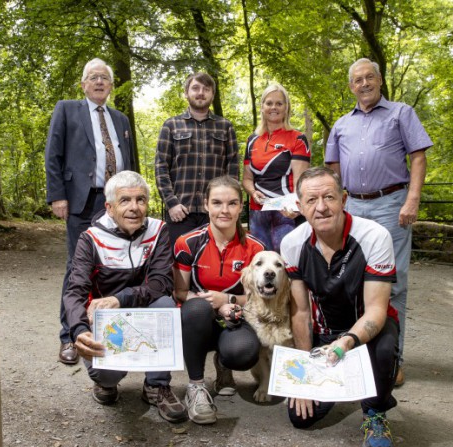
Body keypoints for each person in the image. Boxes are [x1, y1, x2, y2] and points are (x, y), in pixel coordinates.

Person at [325, 58, 433, 386]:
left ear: (380, 80)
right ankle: (356, 352)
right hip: (353, 206)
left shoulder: (401, 113)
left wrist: (412, 199)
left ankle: (392, 361)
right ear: (351, 87)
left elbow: (418, 157)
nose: (364, 84)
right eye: (357, 80)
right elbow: (332, 170)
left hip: (391, 204)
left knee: (392, 282)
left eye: (369, 77)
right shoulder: (342, 124)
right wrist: (334, 208)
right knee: (353, 280)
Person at [280, 166, 400, 447]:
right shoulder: (291, 244)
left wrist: (347, 342)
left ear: (344, 199)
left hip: (366, 332)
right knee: (301, 417)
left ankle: (375, 411)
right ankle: (351, 384)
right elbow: (300, 313)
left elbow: (376, 310)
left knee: (385, 347)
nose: (321, 207)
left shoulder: (374, 236)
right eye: (311, 200)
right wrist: (304, 379)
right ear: (299, 206)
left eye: (329, 197)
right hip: (324, 334)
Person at [64, 171, 187, 423]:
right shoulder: (90, 239)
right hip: (107, 321)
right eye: (125, 201)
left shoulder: (158, 229)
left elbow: (161, 282)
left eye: (141, 200)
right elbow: (74, 290)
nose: (134, 208)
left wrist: (120, 298)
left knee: (165, 305)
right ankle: (106, 382)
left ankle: (157, 385)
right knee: (107, 375)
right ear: (109, 207)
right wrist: (78, 330)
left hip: (142, 308)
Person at [45, 58, 136, 365]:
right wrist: (57, 196)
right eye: (93, 77)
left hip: (117, 204)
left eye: (104, 78)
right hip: (82, 201)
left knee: (118, 264)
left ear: (111, 86)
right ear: (83, 84)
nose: (99, 82)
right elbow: (53, 154)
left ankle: (112, 330)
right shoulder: (67, 109)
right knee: (77, 267)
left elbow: (130, 161)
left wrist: (133, 200)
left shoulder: (121, 119)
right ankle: (70, 336)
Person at [173, 176, 264, 424]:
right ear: (206, 205)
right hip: (197, 319)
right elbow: (179, 292)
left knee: (243, 353)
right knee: (196, 310)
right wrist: (214, 304)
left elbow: (260, 298)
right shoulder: (187, 242)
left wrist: (229, 299)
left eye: (232, 203)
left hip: (236, 318)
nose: (224, 210)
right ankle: (195, 386)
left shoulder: (256, 248)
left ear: (241, 206)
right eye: (217, 203)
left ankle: (225, 364)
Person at [156, 72, 239, 249]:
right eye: (195, 88)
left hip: (215, 212)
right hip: (180, 211)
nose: (201, 92)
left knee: (213, 263)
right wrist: (171, 203)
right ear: (186, 93)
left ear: (212, 95)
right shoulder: (171, 125)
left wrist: (228, 205)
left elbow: (232, 169)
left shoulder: (225, 127)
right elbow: (161, 167)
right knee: (179, 264)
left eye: (206, 89)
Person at [242, 83, 311, 253]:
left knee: (286, 261)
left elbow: (300, 181)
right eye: (269, 103)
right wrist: (252, 192)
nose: (274, 107)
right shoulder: (252, 139)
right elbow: (247, 178)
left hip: (285, 212)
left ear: (286, 107)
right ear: (262, 107)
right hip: (258, 212)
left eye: (279, 103)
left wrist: (296, 207)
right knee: (261, 261)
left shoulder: (298, 138)